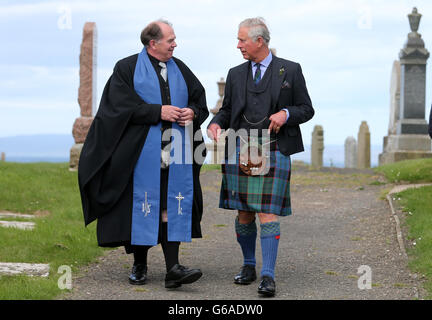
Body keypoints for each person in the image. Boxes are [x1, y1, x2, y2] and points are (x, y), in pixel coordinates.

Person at [78, 20, 209, 289]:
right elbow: (117, 109)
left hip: (175, 155)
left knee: (169, 206)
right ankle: (140, 265)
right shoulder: (126, 69)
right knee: (141, 208)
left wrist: (192, 112)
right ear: (153, 43)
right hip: (139, 156)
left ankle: (173, 268)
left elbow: (199, 98)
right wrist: (156, 111)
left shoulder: (180, 68)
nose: (175, 44)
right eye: (170, 40)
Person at [207, 17, 314, 297]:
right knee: (244, 212)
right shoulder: (235, 74)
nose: (238, 45)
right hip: (241, 148)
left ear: (259, 41)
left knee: (267, 212)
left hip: (275, 147)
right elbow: (227, 109)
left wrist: (286, 114)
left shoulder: (290, 70)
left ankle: (268, 275)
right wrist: (216, 122)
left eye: (242, 40)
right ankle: (248, 265)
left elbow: (306, 108)